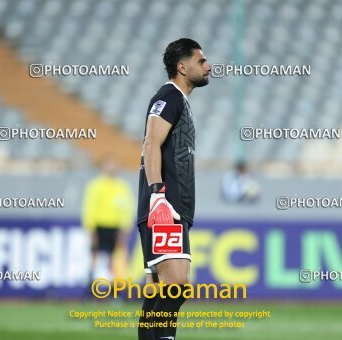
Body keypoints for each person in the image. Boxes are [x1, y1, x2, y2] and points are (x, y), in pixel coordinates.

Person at [137, 38, 210, 340]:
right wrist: (157, 197)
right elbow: (150, 143)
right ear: (182, 67)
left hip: (169, 208)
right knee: (177, 286)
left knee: (160, 292)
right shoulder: (170, 96)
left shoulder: (178, 100)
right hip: (164, 209)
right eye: (201, 60)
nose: (208, 66)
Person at [82, 156, 135, 282]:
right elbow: (90, 207)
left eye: (114, 164)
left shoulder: (122, 186)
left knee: (117, 259)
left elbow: (127, 208)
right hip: (99, 226)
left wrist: (125, 228)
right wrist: (90, 228)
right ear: (103, 167)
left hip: (116, 227)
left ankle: (115, 289)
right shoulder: (95, 186)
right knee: (94, 257)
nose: (112, 167)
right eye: (109, 164)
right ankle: (91, 287)